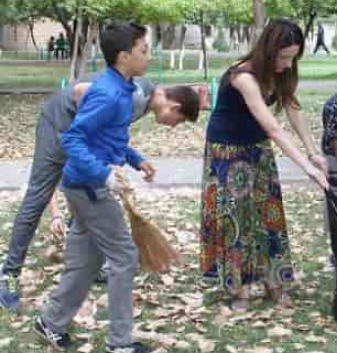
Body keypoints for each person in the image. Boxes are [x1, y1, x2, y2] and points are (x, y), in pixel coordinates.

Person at [0, 73, 202, 313]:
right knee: (39, 197)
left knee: (87, 195)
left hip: (77, 134)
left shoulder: (144, 100)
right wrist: (82, 135)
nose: (174, 125)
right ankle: (9, 274)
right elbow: (81, 92)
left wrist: (135, 159)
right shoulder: (137, 96)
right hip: (59, 124)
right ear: (174, 106)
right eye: (179, 120)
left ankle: (85, 267)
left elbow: (107, 130)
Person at [34, 23, 164, 353]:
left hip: (83, 184)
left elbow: (107, 138)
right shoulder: (107, 93)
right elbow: (73, 139)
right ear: (123, 57)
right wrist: (104, 175)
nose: (148, 56)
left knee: (85, 261)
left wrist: (135, 159)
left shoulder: (123, 87)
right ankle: (120, 342)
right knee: (125, 257)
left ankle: (51, 322)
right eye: (143, 51)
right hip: (89, 188)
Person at [201, 18, 329, 311]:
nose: (287, 64)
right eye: (283, 57)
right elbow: (273, 127)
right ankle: (240, 289)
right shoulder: (243, 76)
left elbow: (292, 107)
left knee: (267, 212)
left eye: (292, 57)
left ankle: (274, 281)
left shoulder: (280, 73)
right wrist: (306, 169)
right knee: (237, 217)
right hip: (227, 150)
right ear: (269, 51)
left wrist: (313, 153)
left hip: (257, 147)